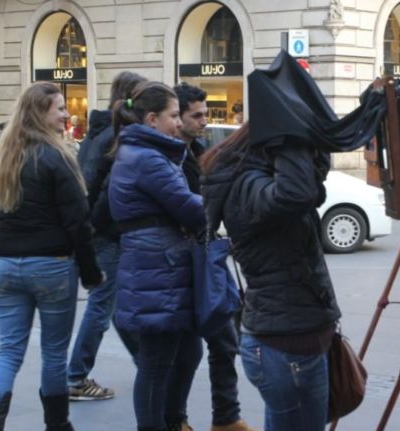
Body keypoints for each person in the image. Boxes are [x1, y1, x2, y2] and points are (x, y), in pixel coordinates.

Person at [0, 81, 104, 431]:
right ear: (40, 113)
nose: (67, 114)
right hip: (51, 266)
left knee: (8, 351)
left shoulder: (0, 156)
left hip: (5, 265)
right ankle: (58, 426)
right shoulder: (57, 157)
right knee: (53, 354)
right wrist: (92, 274)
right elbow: (79, 222)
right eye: (60, 108)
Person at [200, 123, 340, 430]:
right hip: (284, 345)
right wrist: (291, 137)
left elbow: (311, 184)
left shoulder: (261, 178)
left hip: (295, 338)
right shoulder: (250, 184)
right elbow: (296, 192)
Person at [108, 81, 205, 431]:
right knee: (157, 362)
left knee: (187, 352)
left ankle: (173, 420)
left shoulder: (144, 153)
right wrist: (223, 204)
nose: (178, 123)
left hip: (158, 265)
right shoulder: (148, 158)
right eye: (174, 115)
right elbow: (189, 207)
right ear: (152, 119)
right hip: (156, 268)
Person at [174, 82, 257, 431]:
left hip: (204, 260)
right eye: (196, 116)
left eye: (205, 115)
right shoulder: (166, 158)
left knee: (224, 340)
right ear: (174, 118)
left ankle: (225, 416)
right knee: (186, 351)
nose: (203, 121)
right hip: (184, 265)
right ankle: (176, 418)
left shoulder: (196, 153)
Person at [67, 71, 146, 401]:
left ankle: (145, 361)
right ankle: (76, 376)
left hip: (94, 230)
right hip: (104, 233)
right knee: (103, 305)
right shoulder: (116, 135)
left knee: (114, 304)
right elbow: (104, 189)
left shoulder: (98, 131)